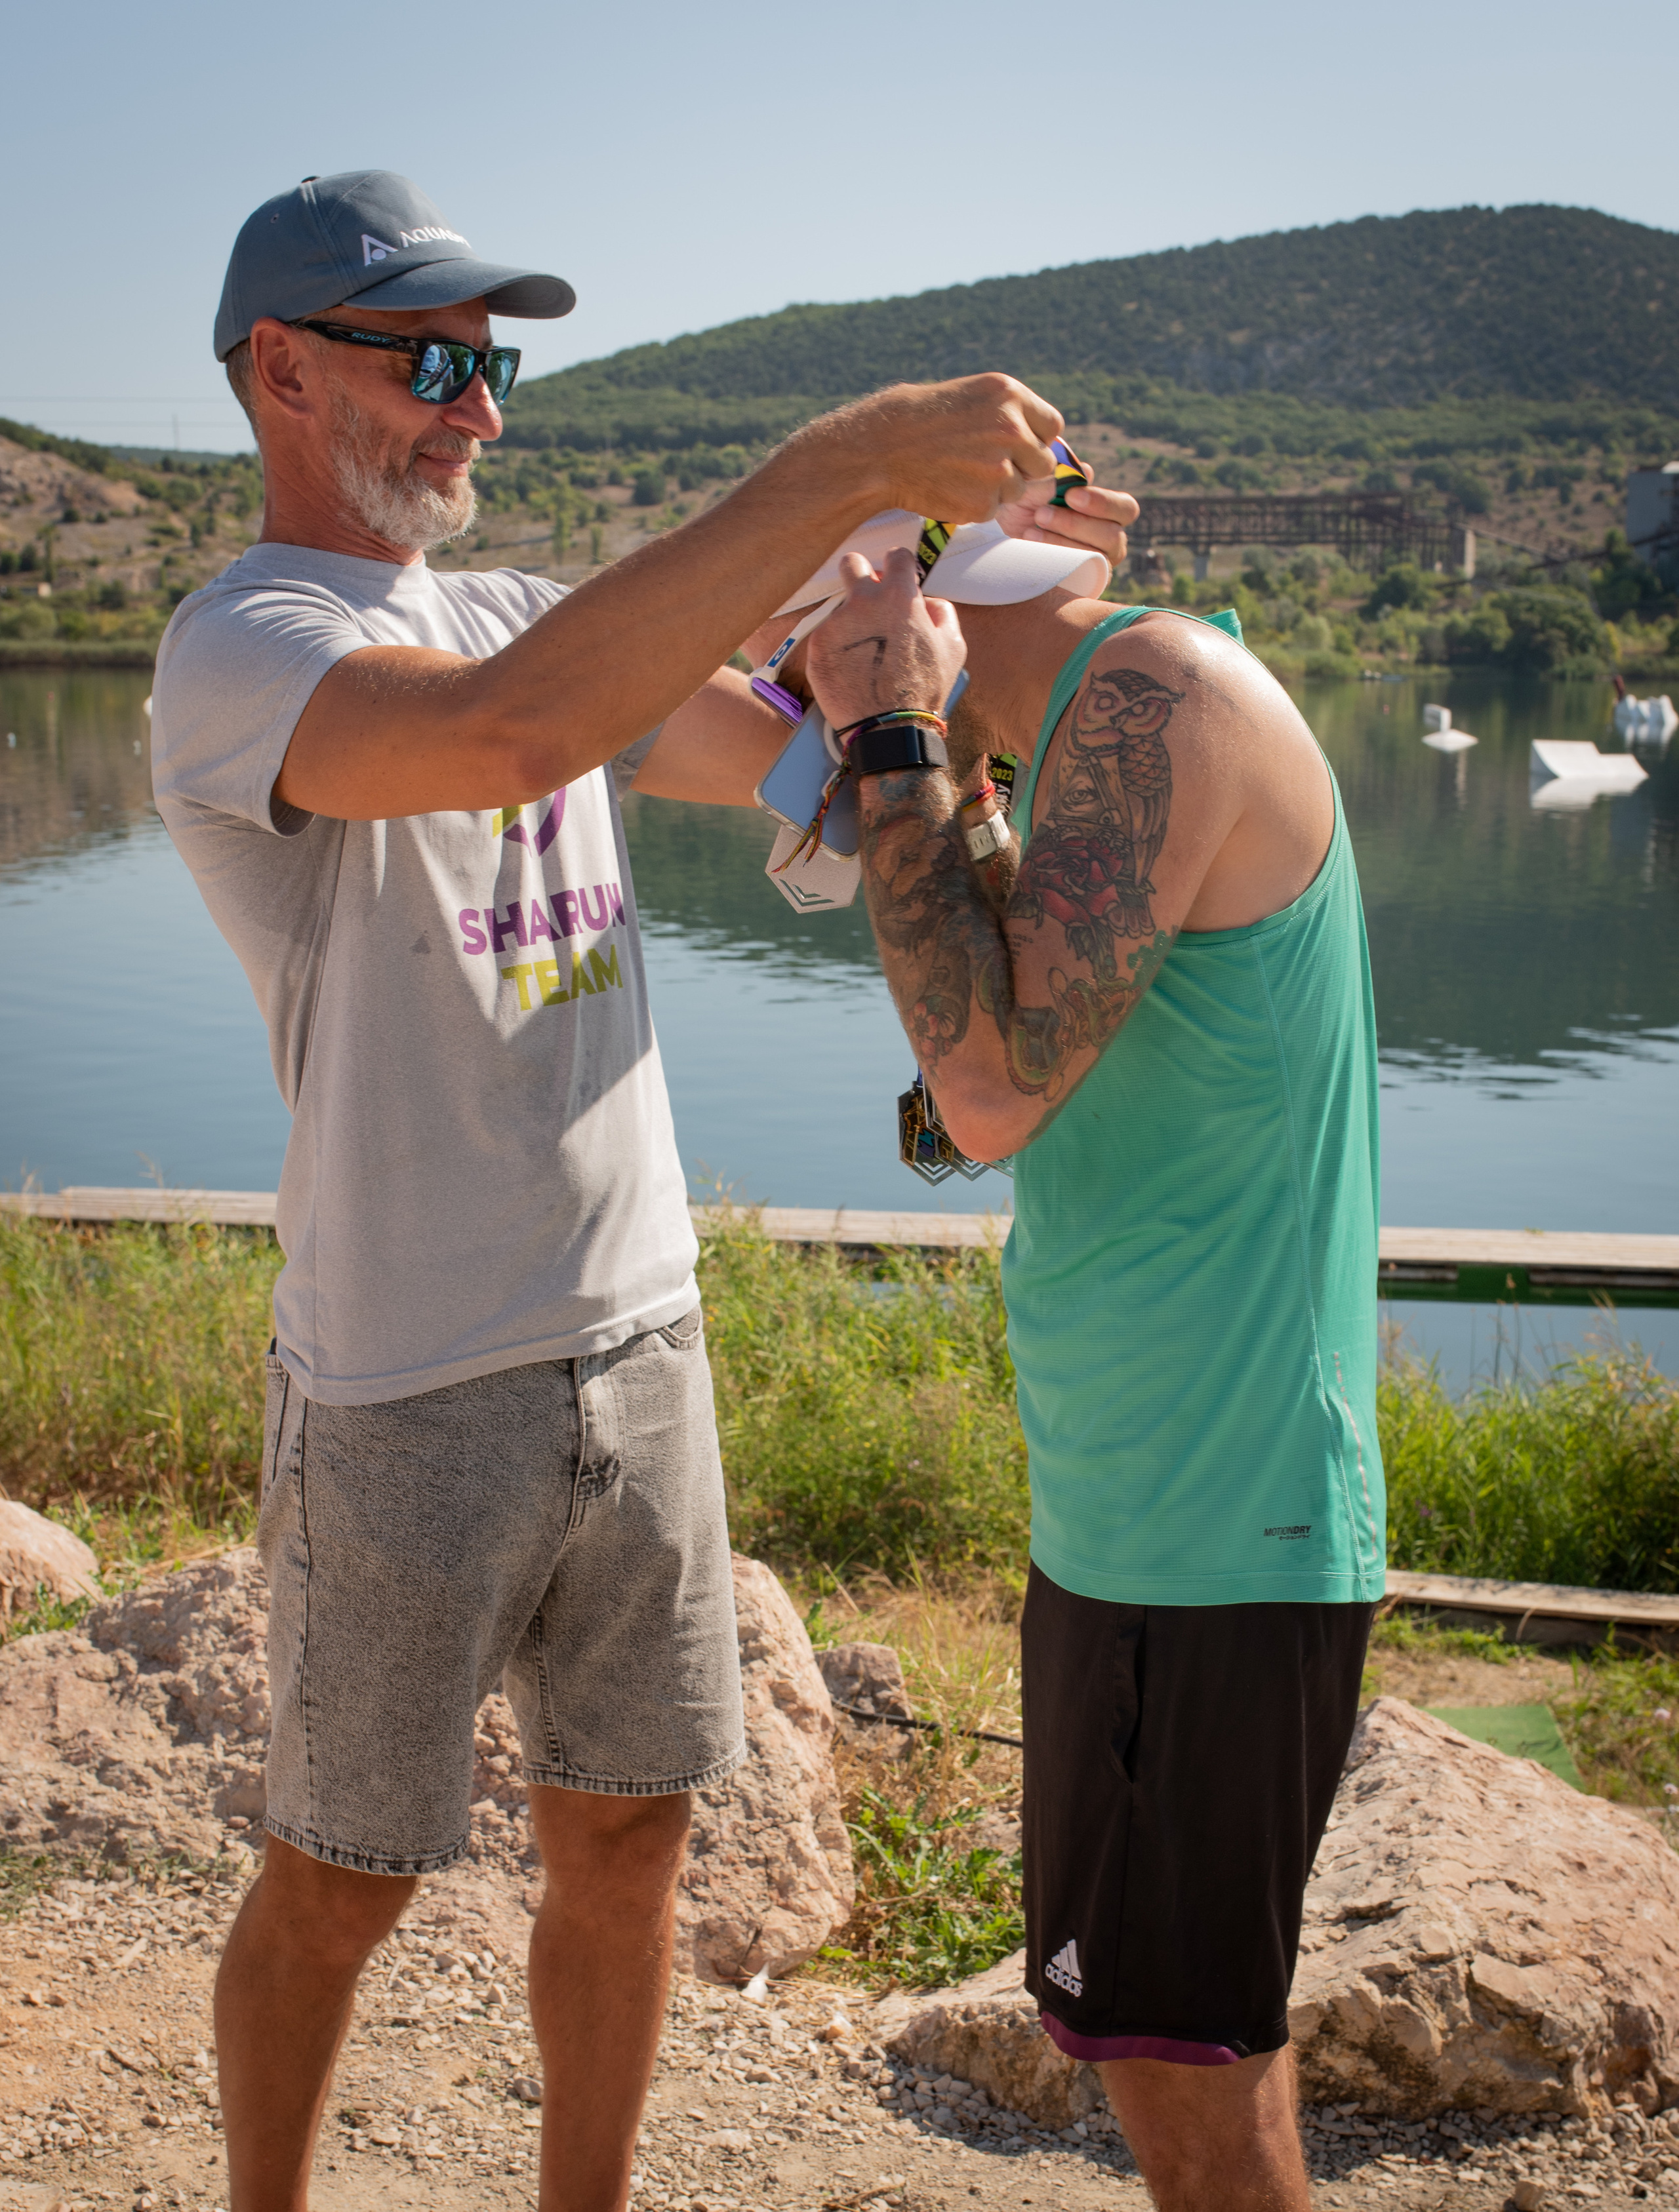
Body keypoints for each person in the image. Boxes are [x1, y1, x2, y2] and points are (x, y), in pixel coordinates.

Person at [150, 168, 1135, 2212]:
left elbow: (784, 746)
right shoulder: (242, 646)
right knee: (339, 1878)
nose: (480, 404)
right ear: (278, 371)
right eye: (432, 359)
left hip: (641, 1341)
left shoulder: (521, 616)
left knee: (632, 1839)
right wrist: (850, 450)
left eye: (494, 363)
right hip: (408, 1381)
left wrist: (981, 583)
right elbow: (517, 735)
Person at [758, 529, 1385, 2212]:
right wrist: (940, 764)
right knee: (1152, 2042)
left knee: (1185, 2064)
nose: (800, 691)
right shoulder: (1080, 730)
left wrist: (892, 739)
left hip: (1221, 1522)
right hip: (1134, 1513)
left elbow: (982, 1093)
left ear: (902, 591)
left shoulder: (1158, 688)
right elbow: (1024, 1036)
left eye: (804, 649)